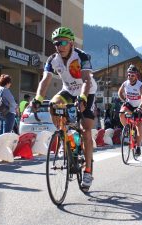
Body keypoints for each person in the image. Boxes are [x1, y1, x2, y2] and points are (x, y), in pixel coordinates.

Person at [31, 26, 97, 189]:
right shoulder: (52, 59)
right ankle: (63, 136)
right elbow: (45, 80)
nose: (59, 46)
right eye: (56, 43)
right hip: (68, 90)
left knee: (86, 130)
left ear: (71, 43)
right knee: (53, 105)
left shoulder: (81, 56)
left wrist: (82, 98)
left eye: (63, 42)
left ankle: (87, 171)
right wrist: (38, 98)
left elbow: (87, 80)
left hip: (86, 91)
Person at [118, 64, 142, 156]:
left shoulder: (140, 85)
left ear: (136, 75)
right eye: (129, 75)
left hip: (139, 106)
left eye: (132, 75)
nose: (130, 77)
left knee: (139, 128)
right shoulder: (125, 83)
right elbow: (119, 92)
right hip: (129, 105)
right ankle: (127, 128)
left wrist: (139, 108)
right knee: (121, 114)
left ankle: (138, 147)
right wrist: (124, 100)